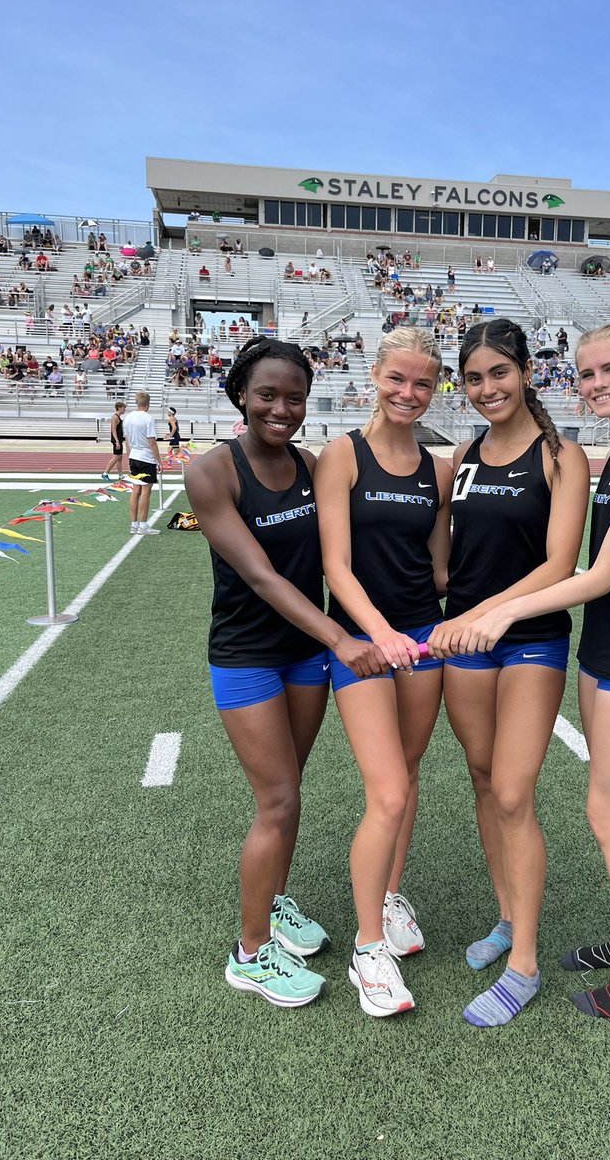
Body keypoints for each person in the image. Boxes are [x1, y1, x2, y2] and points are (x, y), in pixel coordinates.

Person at [454, 321, 610, 1020]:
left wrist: (502, 614)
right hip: (606, 648)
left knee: (605, 811)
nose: (596, 383)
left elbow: (600, 573)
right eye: (587, 373)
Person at [185, 336, 384, 1010]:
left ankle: (271, 904)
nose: (281, 408)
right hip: (248, 656)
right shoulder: (213, 472)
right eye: (268, 394)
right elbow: (261, 575)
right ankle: (249, 954)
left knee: (287, 791)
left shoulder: (307, 463)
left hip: (303, 657)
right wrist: (341, 637)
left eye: (294, 398)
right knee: (277, 801)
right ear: (241, 392)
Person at [426, 318, 590, 1028]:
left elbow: (559, 565)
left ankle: (523, 961)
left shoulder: (562, 456)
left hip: (531, 642)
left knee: (517, 793)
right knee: (485, 780)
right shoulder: (463, 452)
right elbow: (446, 551)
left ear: (526, 372)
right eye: (473, 378)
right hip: (467, 643)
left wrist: (485, 614)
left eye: (499, 373)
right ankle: (506, 915)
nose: (487, 388)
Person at [314, 326, 453, 1017]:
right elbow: (335, 566)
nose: (409, 393)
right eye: (398, 379)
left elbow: (437, 566)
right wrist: (379, 634)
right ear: (374, 375)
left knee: (412, 769)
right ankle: (368, 950)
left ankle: (391, 895)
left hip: (422, 641)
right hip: (366, 646)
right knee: (388, 792)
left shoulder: (439, 468)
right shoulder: (341, 455)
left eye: (423, 383)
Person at [123, 391, 162, 535]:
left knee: (135, 490)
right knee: (146, 491)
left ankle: (134, 524)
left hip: (134, 456)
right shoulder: (148, 418)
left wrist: (129, 457)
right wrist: (159, 461)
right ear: (148, 404)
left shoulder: (128, 418)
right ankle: (143, 525)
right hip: (146, 457)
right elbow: (152, 442)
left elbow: (127, 441)